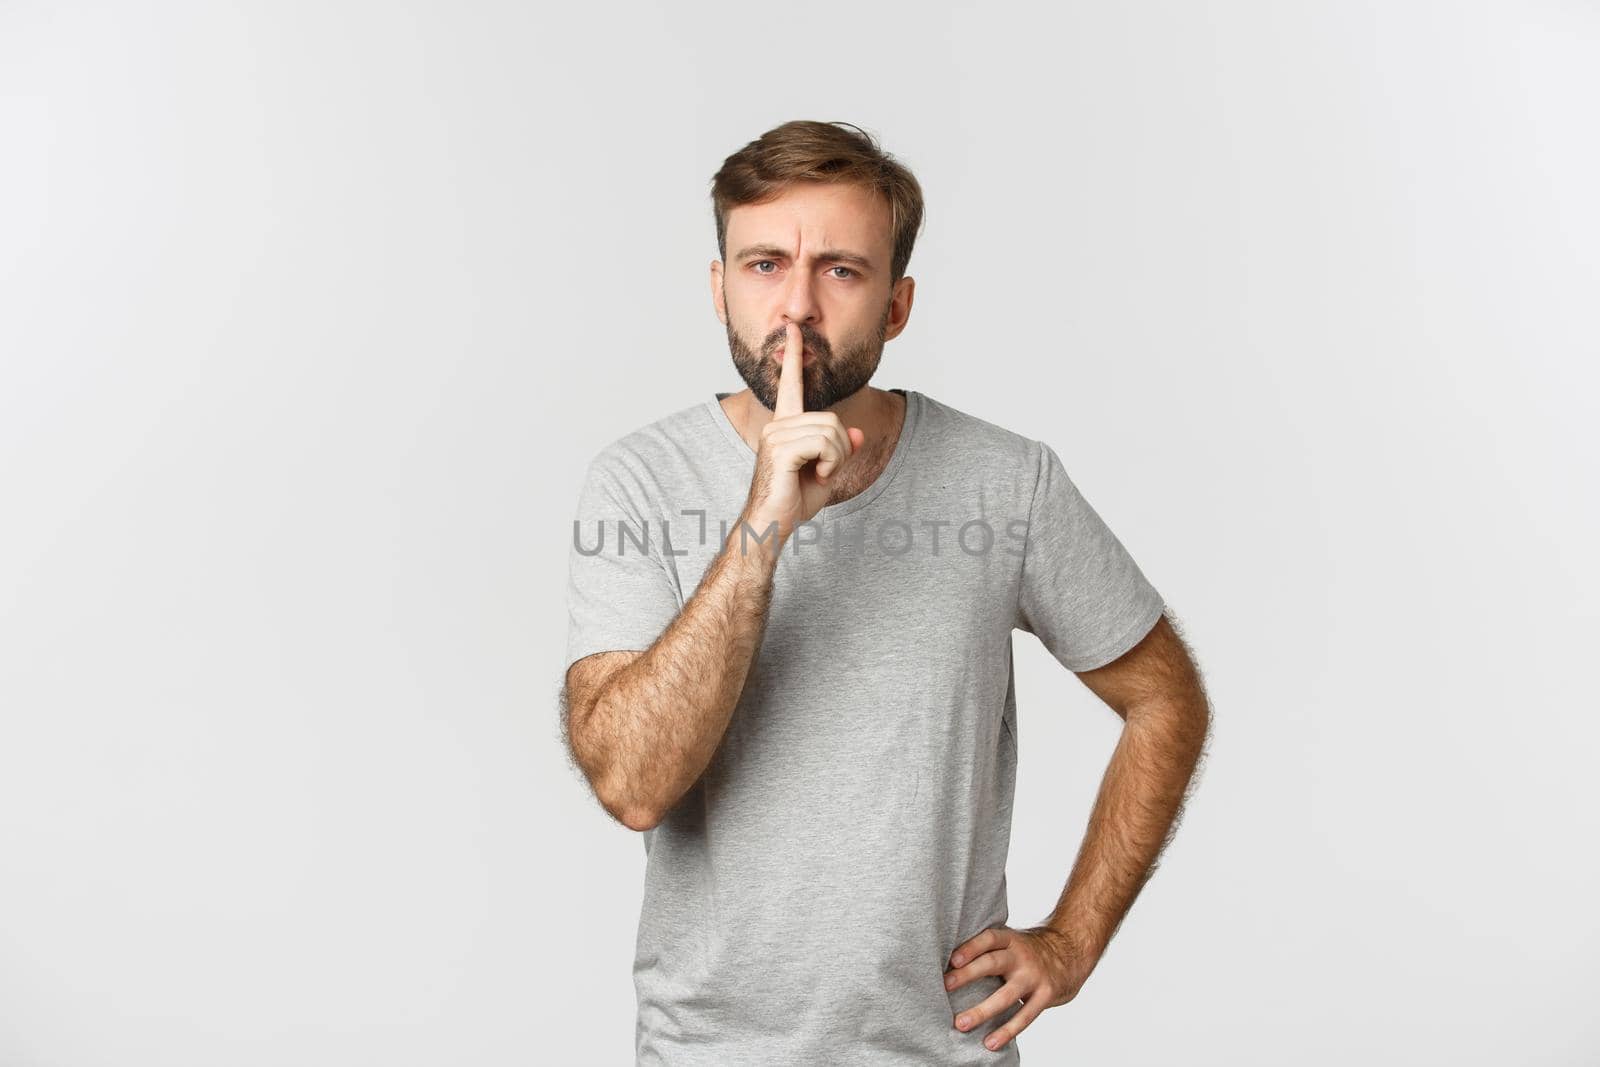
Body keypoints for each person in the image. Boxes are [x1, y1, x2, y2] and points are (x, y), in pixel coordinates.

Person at [560, 119, 1211, 1065]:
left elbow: (1166, 699)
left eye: (840, 270)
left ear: (897, 305)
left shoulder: (1008, 482)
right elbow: (632, 785)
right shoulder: (637, 482)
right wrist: (763, 528)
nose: (795, 307)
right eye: (763, 264)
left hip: (941, 1049)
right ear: (718, 289)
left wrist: (1071, 942)